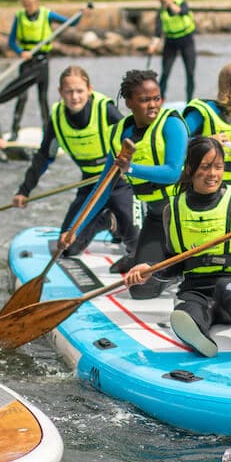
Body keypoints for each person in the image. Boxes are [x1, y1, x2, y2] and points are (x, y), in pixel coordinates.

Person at [124, 137, 231, 357]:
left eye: (218, 167)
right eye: (205, 167)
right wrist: (148, 270)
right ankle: (196, 333)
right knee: (189, 307)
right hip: (194, 288)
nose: (213, 174)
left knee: (229, 291)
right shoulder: (173, 209)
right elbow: (173, 264)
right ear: (190, 169)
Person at [62, 69, 188, 299]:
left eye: (156, 98)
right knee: (139, 290)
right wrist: (75, 229)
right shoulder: (120, 134)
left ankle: (183, 269)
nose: (153, 105)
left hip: (184, 215)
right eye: (144, 100)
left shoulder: (171, 125)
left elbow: (172, 173)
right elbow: (102, 190)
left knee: (194, 274)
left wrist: (130, 168)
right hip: (156, 217)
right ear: (129, 102)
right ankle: (173, 271)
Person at [12, 65, 139, 263]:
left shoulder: (105, 110)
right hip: (89, 184)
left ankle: (118, 222)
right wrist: (24, 190)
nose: (75, 96)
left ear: (89, 89)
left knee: (135, 246)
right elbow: (44, 156)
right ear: (60, 93)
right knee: (66, 248)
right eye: (69, 91)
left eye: (79, 91)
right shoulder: (57, 119)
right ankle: (106, 220)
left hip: (119, 182)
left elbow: (134, 138)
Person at [7, 0, 80, 140]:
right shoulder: (20, 16)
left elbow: (71, 23)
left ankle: (47, 132)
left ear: (37, 1)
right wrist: (21, 52)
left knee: (42, 98)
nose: (29, 7)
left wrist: (81, 13)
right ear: (23, 3)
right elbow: (11, 42)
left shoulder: (47, 14)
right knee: (22, 97)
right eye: (26, 3)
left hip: (42, 62)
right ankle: (14, 131)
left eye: (32, 3)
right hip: (27, 62)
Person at [182, 61, 231, 185]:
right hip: (198, 187)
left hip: (228, 190)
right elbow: (174, 144)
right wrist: (207, 142)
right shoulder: (201, 113)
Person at [147, 0, 196, 102]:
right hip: (170, 42)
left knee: (190, 73)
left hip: (186, 41)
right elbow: (158, 32)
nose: (161, 3)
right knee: (165, 72)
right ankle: (161, 98)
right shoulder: (161, 12)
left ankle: (189, 100)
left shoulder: (181, 3)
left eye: (162, 0)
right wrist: (153, 45)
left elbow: (180, 12)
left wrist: (169, 2)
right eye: (160, 1)